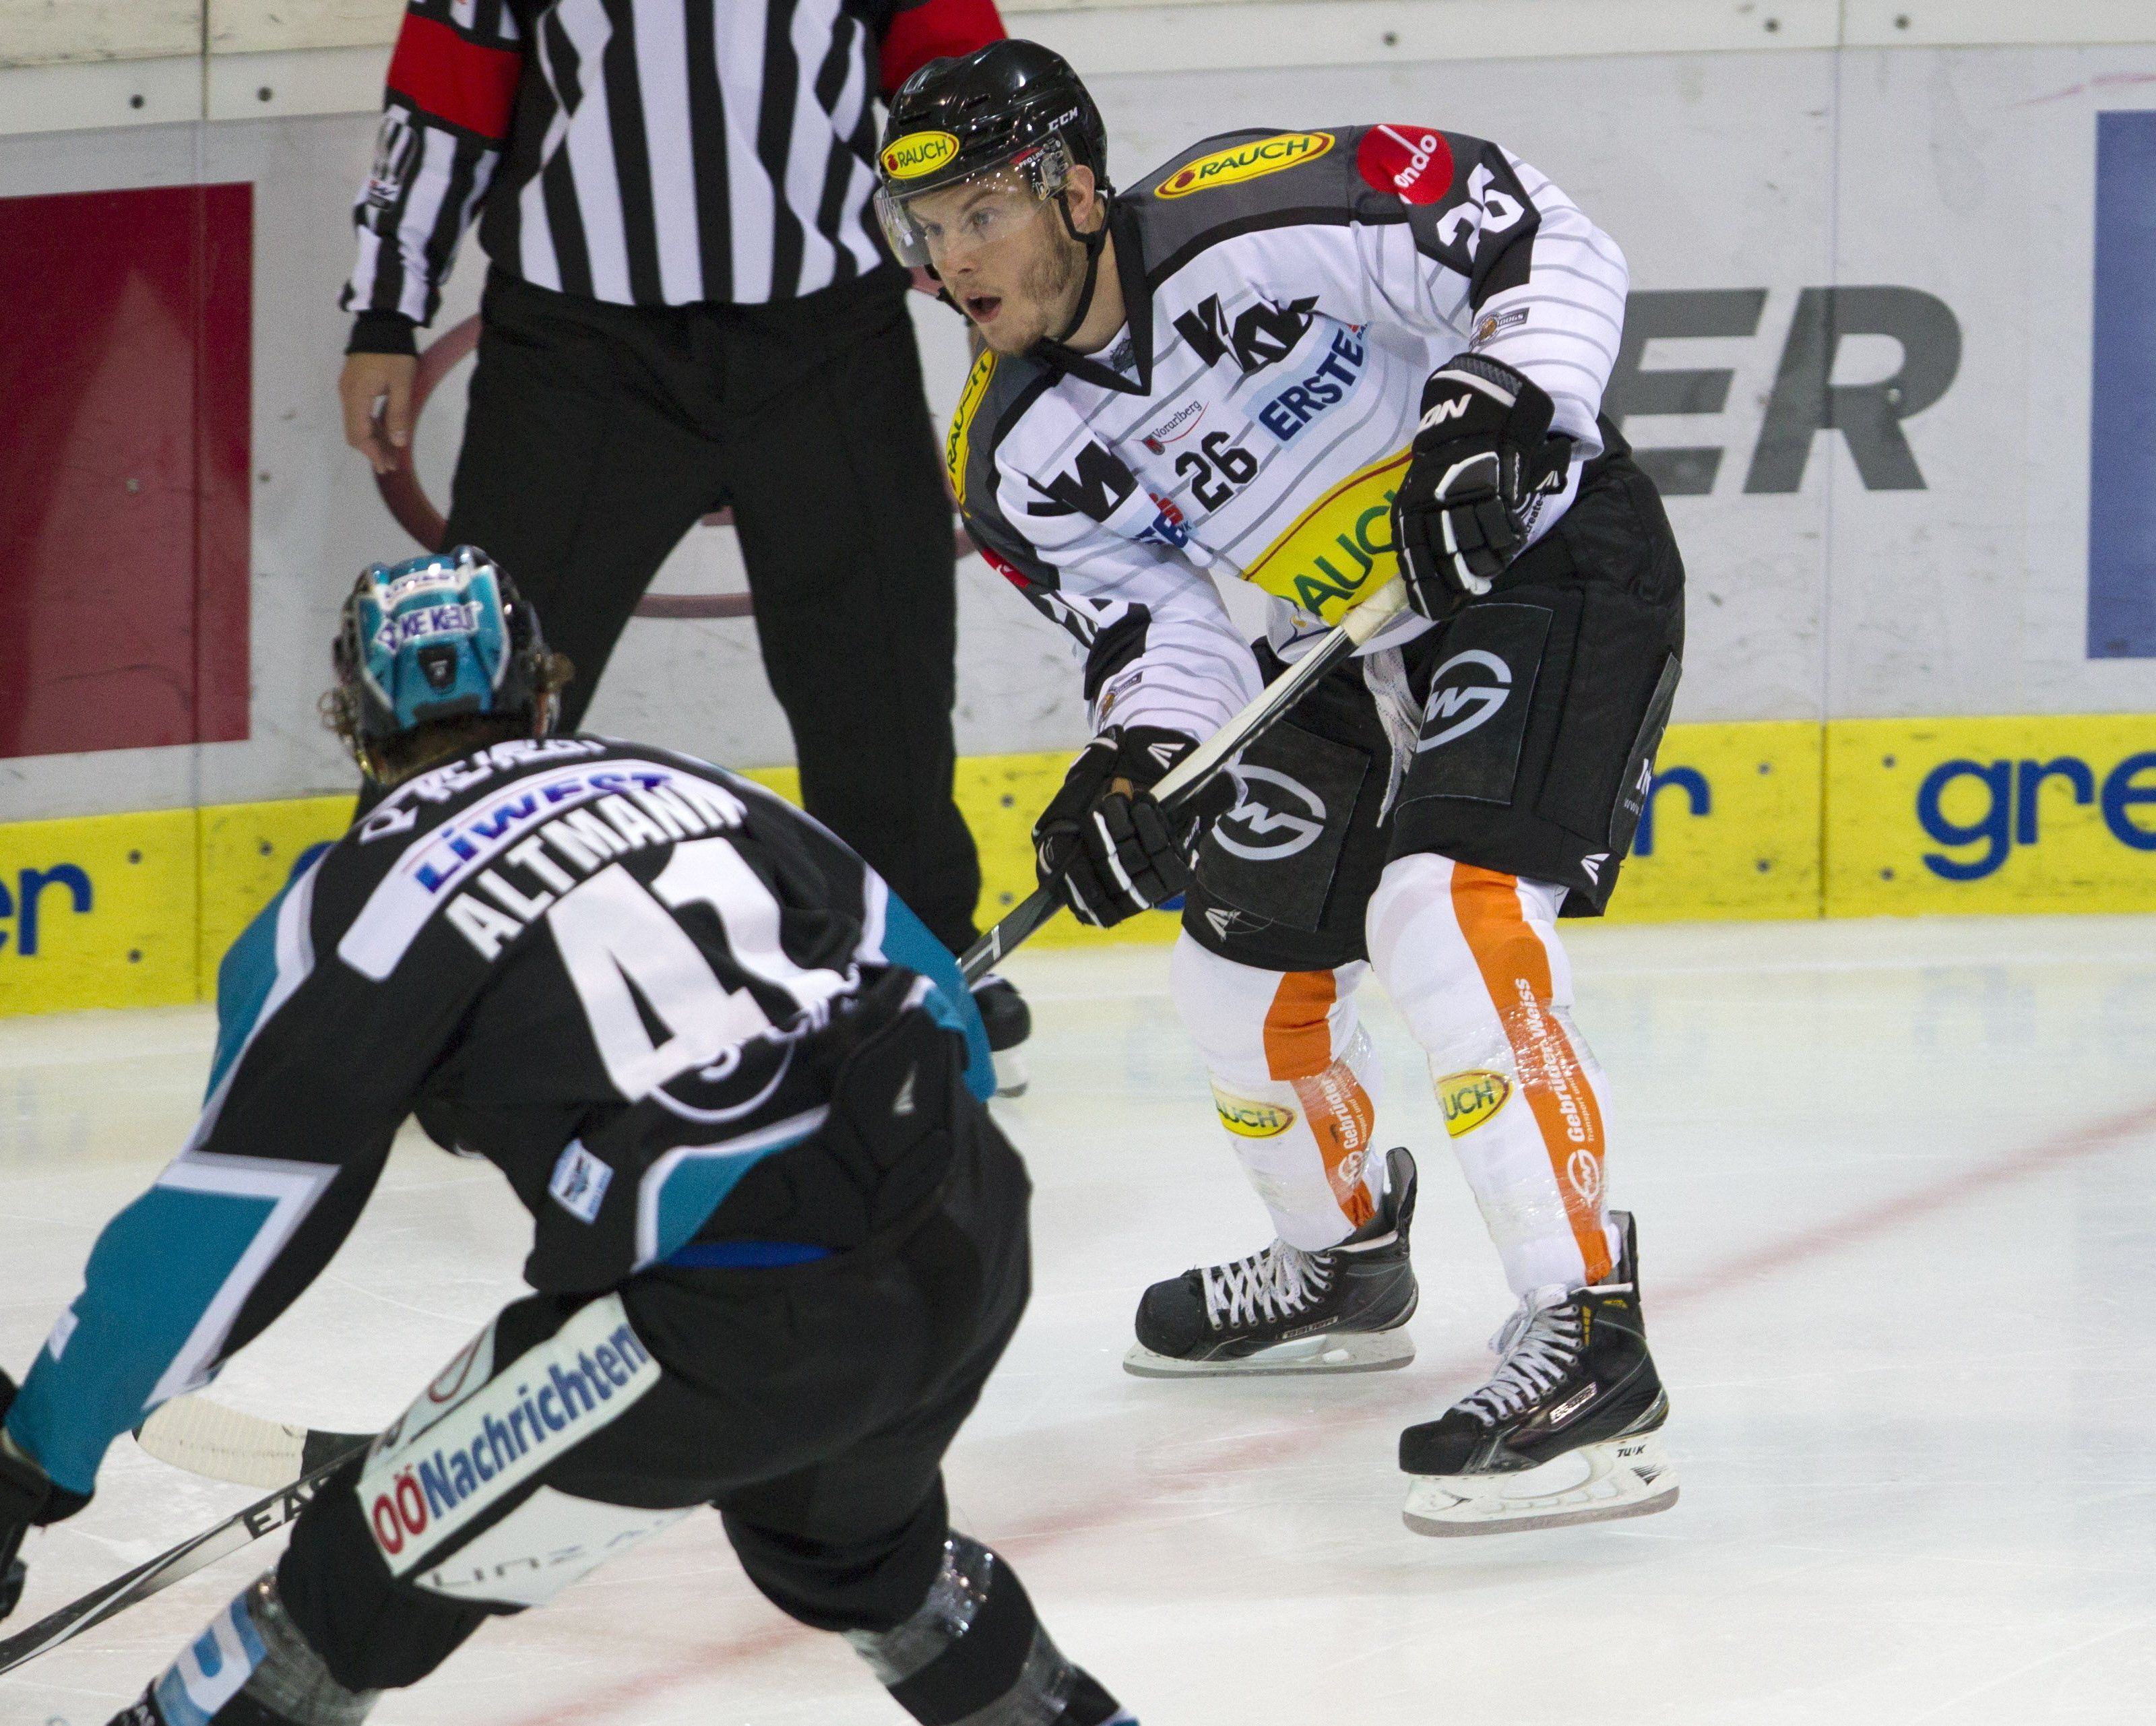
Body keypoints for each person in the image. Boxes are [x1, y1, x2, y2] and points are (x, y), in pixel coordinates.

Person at [0, 550, 1133, 1725]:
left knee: (353, 1582)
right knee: (855, 1553)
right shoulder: (697, 784)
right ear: (542, 695)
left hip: (737, 1319)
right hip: (973, 1222)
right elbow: (952, 1015)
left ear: (358, 731)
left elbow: (227, 1227)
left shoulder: (353, 905)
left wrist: (36, 1453)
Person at [875, 42, 1684, 1535]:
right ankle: (1345, 1258)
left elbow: (1538, 234)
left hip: (1546, 565)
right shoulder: (1006, 453)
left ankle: (1593, 1341)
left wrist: (1500, 401)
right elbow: (1155, 627)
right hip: (1336, 662)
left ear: (1071, 183)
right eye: (922, 232)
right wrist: (1133, 759)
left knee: (1446, 911)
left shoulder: (1255, 213)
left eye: (979, 214)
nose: (953, 263)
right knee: (1235, 983)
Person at [334, 0, 1034, 1087]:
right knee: (474, 687)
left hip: (826, 336)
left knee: (881, 680)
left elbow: (958, 82)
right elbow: (441, 102)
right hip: (577, 352)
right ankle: (410, 986)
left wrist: (1002, 262)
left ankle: (918, 962)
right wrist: (385, 312)